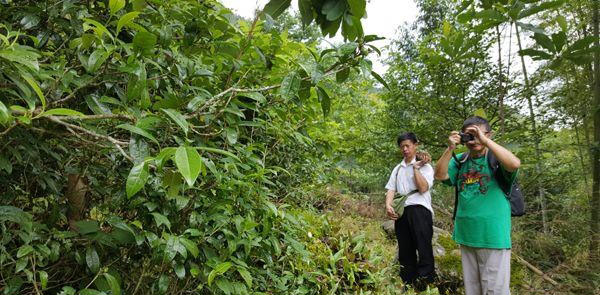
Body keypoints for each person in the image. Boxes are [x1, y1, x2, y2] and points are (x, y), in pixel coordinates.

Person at [434, 116, 521, 295]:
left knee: (495, 290)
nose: (474, 140)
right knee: (473, 290)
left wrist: (485, 141)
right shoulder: (460, 159)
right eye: (469, 136)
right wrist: (450, 148)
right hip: (466, 234)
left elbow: (514, 164)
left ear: (489, 134)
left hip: (493, 235)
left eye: (477, 134)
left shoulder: (495, 158)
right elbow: (440, 175)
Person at [385, 132, 437, 291]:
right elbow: (391, 189)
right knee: (405, 249)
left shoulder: (426, 166)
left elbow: (422, 188)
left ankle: (425, 282)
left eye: (408, 145)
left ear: (416, 145)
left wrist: (416, 168)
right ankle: (407, 282)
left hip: (420, 210)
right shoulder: (398, 168)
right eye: (402, 147)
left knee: (423, 246)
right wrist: (388, 206)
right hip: (402, 212)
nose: (405, 149)